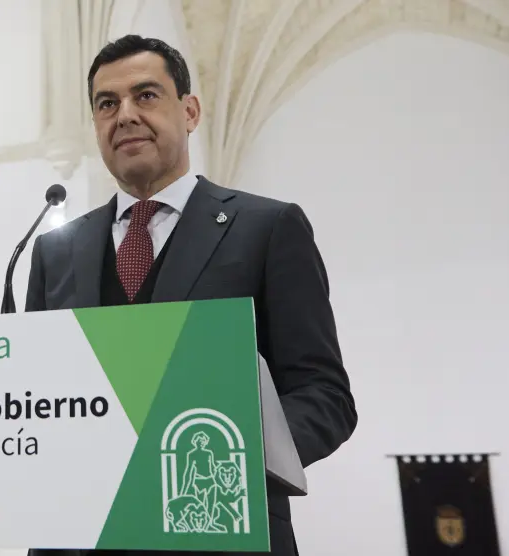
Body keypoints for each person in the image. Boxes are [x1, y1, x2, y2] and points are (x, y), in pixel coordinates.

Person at [25, 35, 357, 556]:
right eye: (107, 104)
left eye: (146, 95)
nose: (125, 115)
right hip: (81, 535)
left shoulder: (267, 228)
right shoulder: (53, 252)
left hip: (216, 523)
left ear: (190, 111)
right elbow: (34, 398)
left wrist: (231, 457)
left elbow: (324, 395)